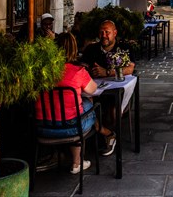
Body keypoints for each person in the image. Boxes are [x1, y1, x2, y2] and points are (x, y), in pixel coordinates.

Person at [35, 32, 114, 173]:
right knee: (88, 104)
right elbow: (93, 89)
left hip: (42, 127)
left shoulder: (42, 70)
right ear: (74, 49)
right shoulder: (78, 71)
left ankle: (58, 155)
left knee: (72, 107)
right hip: (71, 128)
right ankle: (77, 162)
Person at [80, 20, 135, 155]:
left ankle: (109, 135)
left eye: (107, 32)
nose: (104, 35)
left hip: (116, 92)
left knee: (113, 111)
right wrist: (88, 70)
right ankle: (104, 133)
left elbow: (130, 68)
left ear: (114, 33)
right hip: (94, 92)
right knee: (84, 105)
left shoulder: (124, 48)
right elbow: (82, 67)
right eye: (101, 32)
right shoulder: (91, 49)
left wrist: (107, 72)